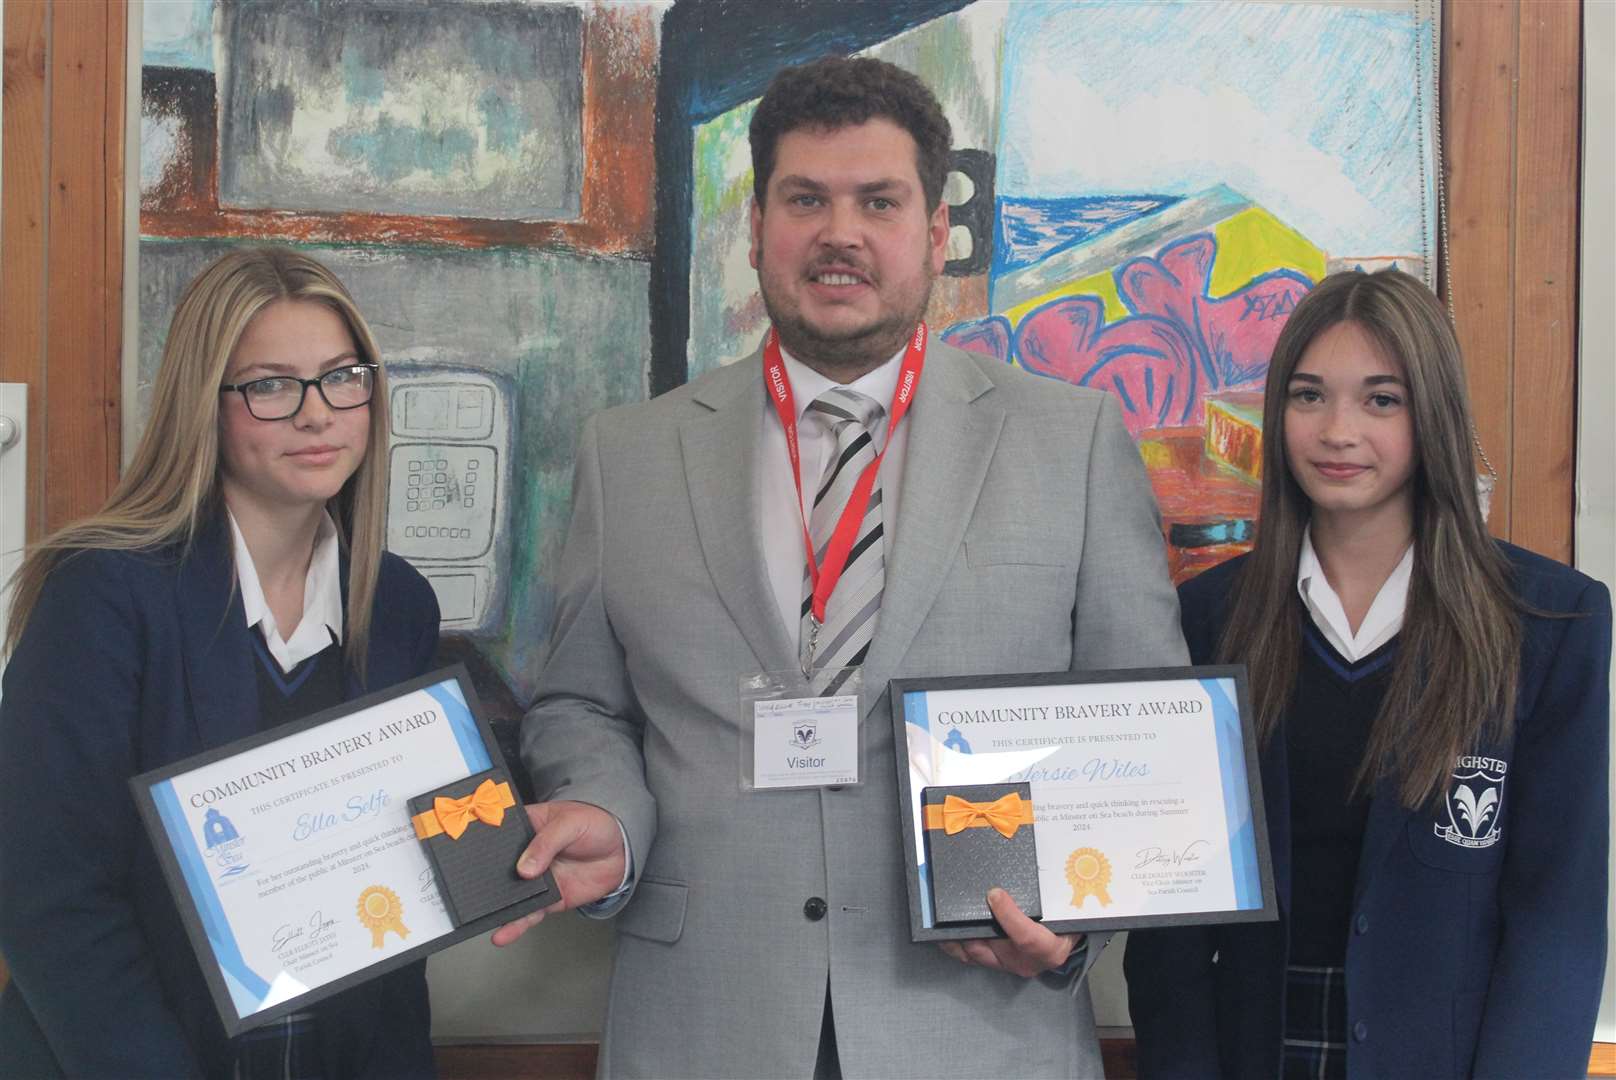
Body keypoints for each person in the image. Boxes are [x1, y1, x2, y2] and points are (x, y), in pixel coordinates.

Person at [495, 56, 1185, 1078]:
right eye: (804, 199)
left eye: (878, 201)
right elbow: (578, 707)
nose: (839, 234)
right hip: (706, 1023)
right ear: (757, 224)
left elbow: (1139, 715)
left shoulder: (1068, 440)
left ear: (935, 230)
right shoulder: (629, 454)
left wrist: (1076, 913)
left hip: (977, 1022)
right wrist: (606, 816)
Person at [1124, 269, 1611, 1079]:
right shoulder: (1207, 617)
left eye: (1381, 400)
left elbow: (1556, 917)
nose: (1337, 431)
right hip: (1255, 1051)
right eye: (1309, 396)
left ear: (1434, 418)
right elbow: (1170, 923)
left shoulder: (1550, 621)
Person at [0, 248, 442, 1078]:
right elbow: (52, 908)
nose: (317, 413)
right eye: (271, 385)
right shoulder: (100, 597)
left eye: (342, 375)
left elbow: (402, 891)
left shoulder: (399, 606)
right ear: (204, 404)